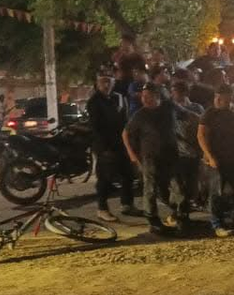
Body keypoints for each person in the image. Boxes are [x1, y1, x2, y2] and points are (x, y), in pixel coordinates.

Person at [122, 83, 178, 236]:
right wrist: (132, 155)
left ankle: (178, 214)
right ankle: (153, 220)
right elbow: (125, 134)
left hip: (170, 155)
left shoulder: (168, 108)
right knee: (150, 189)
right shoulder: (140, 115)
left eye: (148, 96)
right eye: (143, 97)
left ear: (157, 96)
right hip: (150, 157)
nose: (144, 99)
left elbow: (184, 115)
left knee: (174, 187)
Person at [85, 75, 138, 222]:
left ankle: (127, 204)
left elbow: (124, 119)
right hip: (106, 146)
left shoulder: (116, 98)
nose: (106, 85)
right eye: (103, 82)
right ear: (97, 84)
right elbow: (96, 127)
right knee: (105, 178)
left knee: (128, 174)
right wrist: (104, 147)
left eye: (109, 81)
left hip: (120, 143)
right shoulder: (95, 102)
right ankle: (102, 209)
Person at [198, 84, 234, 236]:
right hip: (217, 160)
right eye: (222, 99)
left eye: (228, 99)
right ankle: (217, 224)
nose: (225, 102)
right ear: (217, 98)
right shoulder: (209, 114)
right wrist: (210, 156)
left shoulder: (233, 113)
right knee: (217, 192)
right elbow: (201, 136)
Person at [169, 80, 205, 225]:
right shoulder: (169, 109)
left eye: (178, 91)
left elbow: (202, 125)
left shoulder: (196, 108)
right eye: (174, 91)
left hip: (193, 153)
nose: (176, 94)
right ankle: (176, 214)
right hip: (176, 154)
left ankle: (184, 215)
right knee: (178, 187)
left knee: (191, 187)